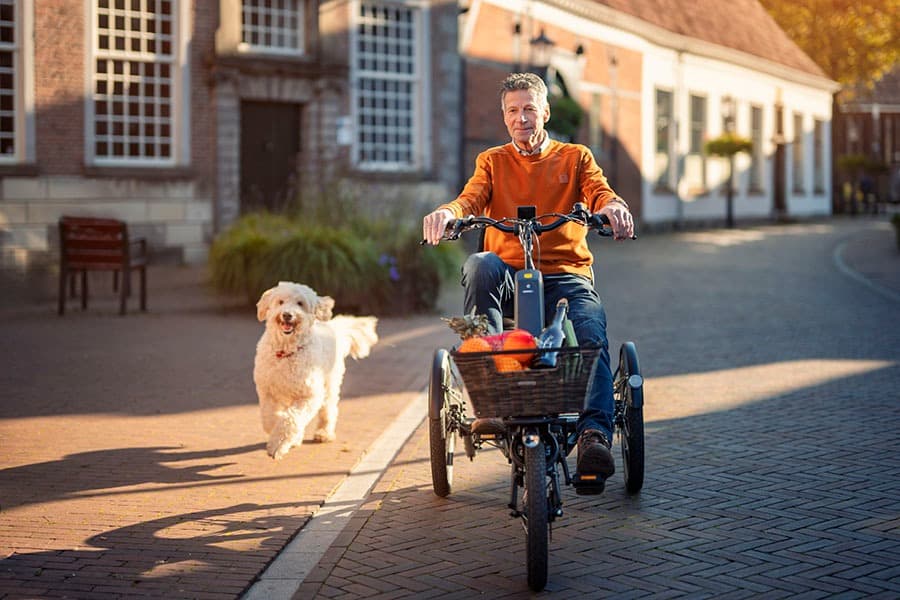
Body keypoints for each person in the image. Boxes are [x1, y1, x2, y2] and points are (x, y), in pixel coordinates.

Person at [422, 72, 634, 488]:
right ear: (504, 118)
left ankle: (594, 435)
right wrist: (449, 213)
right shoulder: (493, 161)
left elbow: (599, 191)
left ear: (545, 112)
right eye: (513, 111)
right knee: (480, 263)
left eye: (530, 109)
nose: (522, 118)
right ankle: (494, 391)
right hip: (507, 274)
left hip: (565, 273)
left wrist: (613, 207)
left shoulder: (575, 157)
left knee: (590, 329)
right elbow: (471, 197)